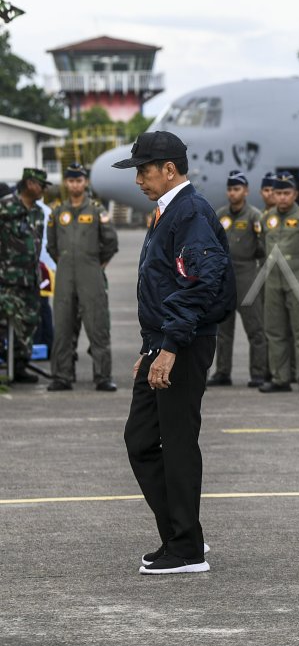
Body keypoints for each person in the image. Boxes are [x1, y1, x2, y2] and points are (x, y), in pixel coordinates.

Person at [112, 130, 235, 574]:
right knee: (141, 439)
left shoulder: (190, 212)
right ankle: (181, 537)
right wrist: (152, 346)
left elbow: (202, 280)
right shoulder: (172, 211)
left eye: (143, 171)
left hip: (182, 344)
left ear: (168, 169)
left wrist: (169, 347)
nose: (138, 180)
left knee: (177, 441)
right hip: (164, 341)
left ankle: (186, 549)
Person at [46, 163, 118, 391]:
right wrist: (66, 263)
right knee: (63, 325)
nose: (75, 185)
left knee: (97, 324)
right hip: (66, 273)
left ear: (85, 182)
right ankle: (62, 376)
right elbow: (52, 246)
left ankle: (103, 376)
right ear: (66, 183)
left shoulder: (97, 210)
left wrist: (97, 265)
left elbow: (110, 242)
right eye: (71, 180)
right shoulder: (58, 212)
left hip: (91, 272)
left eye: (79, 180)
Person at [259, 172, 299, 394]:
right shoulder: (266, 218)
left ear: (295, 194)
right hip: (272, 278)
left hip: (298, 274)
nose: (283, 197)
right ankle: (280, 378)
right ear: (273, 195)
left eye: (287, 193)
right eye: (278, 193)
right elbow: (262, 245)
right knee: (275, 330)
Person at [209, 170, 268, 388]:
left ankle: (259, 373)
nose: (233, 193)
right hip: (224, 277)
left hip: (247, 275)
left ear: (246, 191)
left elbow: (264, 247)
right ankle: (223, 372)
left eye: (237, 189)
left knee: (255, 327)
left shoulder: (255, 216)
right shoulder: (220, 215)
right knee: (223, 329)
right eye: (230, 189)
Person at [0, 168, 49, 384]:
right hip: (7, 278)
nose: (43, 190)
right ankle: (6, 365)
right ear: (30, 184)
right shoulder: (6, 206)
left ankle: (19, 366)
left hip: (30, 278)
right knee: (4, 323)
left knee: (29, 322)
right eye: (41, 185)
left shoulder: (38, 212)